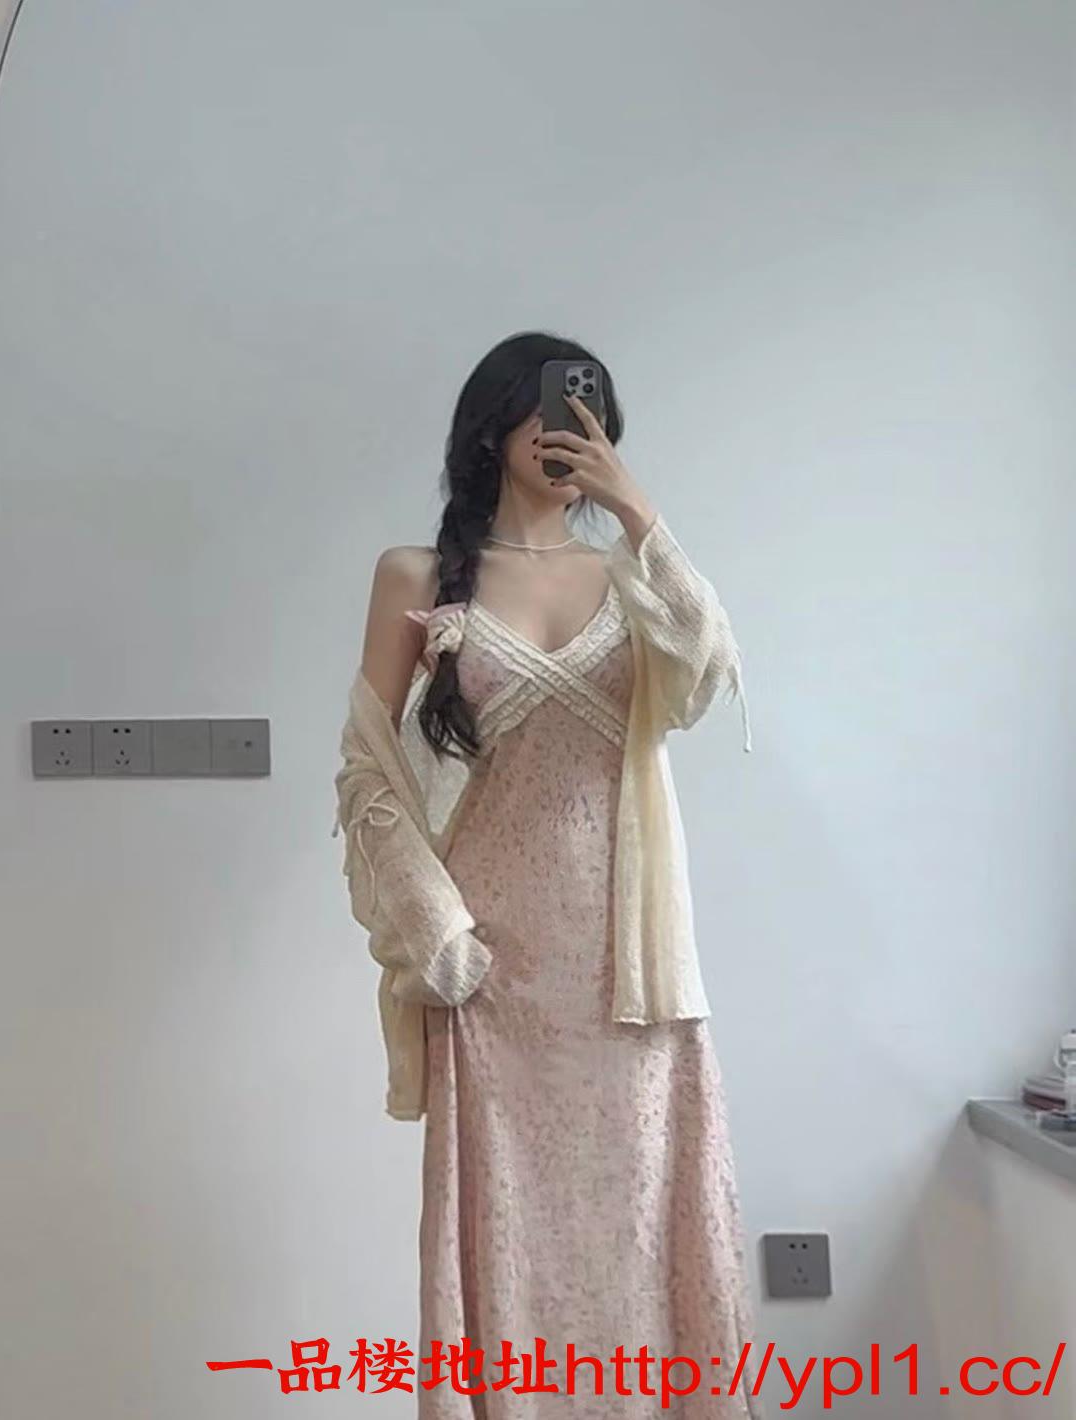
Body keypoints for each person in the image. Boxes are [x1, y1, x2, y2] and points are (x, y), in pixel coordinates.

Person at [337, 330, 764, 1418]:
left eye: (593, 412)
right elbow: (368, 770)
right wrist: (434, 930)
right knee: (510, 1228)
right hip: (496, 971)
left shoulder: (629, 580)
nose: (573, 429)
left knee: (647, 1217)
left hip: (633, 967)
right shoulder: (417, 576)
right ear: (494, 425)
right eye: (553, 407)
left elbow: (707, 673)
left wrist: (639, 513)